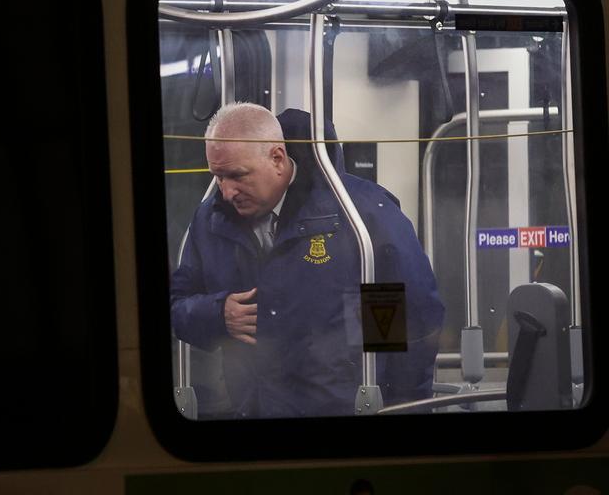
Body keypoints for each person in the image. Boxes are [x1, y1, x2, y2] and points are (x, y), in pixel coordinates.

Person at [170, 102, 444, 418]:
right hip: (250, 411)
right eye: (217, 176)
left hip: (342, 413)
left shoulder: (358, 216)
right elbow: (179, 306)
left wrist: (402, 409)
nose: (227, 191)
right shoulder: (212, 221)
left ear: (277, 158)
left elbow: (414, 318)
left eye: (237, 175)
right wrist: (218, 315)